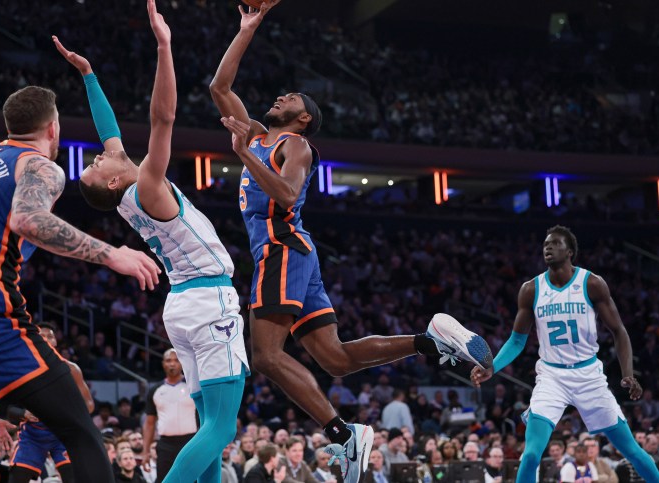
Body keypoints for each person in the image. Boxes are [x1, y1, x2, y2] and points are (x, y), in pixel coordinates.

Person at [210, 4, 492, 482]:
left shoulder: (293, 147)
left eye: (291, 98)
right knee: (335, 360)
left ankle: (343, 434)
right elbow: (219, 87)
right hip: (293, 254)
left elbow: (286, 193)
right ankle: (428, 341)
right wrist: (248, 28)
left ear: (303, 120)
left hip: (282, 249)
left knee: (265, 357)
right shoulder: (258, 134)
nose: (280, 97)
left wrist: (241, 155)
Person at [0, 47, 160, 483]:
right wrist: (114, 253)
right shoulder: (41, 166)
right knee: (80, 431)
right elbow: (28, 219)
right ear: (53, 129)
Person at [54, 2, 247, 482]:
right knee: (222, 428)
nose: (101, 154)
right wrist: (164, 45)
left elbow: (109, 130)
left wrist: (90, 75)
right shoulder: (147, 188)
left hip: (183, 305)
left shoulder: (126, 189)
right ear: (113, 183)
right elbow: (163, 119)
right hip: (207, 298)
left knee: (208, 429)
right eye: (98, 164)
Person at [472, 225, 659, 483]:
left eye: (555, 244)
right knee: (530, 455)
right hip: (552, 376)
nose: (547, 248)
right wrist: (492, 367)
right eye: (545, 245)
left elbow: (619, 331)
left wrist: (628, 374)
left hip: (589, 375)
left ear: (570, 251)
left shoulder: (592, 283)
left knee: (632, 450)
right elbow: (517, 340)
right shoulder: (531, 289)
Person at [9, 322, 95, 483]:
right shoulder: (21, 369)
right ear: (34, 340)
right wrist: (24, 413)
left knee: (74, 477)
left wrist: (66, 413)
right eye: (42, 336)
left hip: (63, 432)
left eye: (51, 336)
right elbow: (7, 407)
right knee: (17, 478)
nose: (47, 340)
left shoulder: (71, 369)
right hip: (34, 433)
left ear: (55, 342)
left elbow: (89, 406)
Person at [139, 350, 197, 482]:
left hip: (190, 442)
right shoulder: (155, 390)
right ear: (163, 364)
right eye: (169, 360)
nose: (172, 364)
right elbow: (149, 423)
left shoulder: (193, 386)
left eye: (176, 360)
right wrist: (145, 451)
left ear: (182, 363)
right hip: (165, 445)